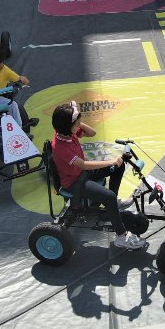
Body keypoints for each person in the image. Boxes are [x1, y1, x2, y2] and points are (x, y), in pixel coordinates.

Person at [50, 101, 147, 250]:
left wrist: (78, 123)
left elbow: (92, 133)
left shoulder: (68, 133)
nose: (79, 126)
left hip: (83, 174)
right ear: (66, 127)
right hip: (74, 181)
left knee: (118, 167)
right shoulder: (60, 147)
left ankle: (113, 206)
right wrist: (110, 161)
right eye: (76, 123)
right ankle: (121, 237)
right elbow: (83, 164)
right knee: (108, 195)